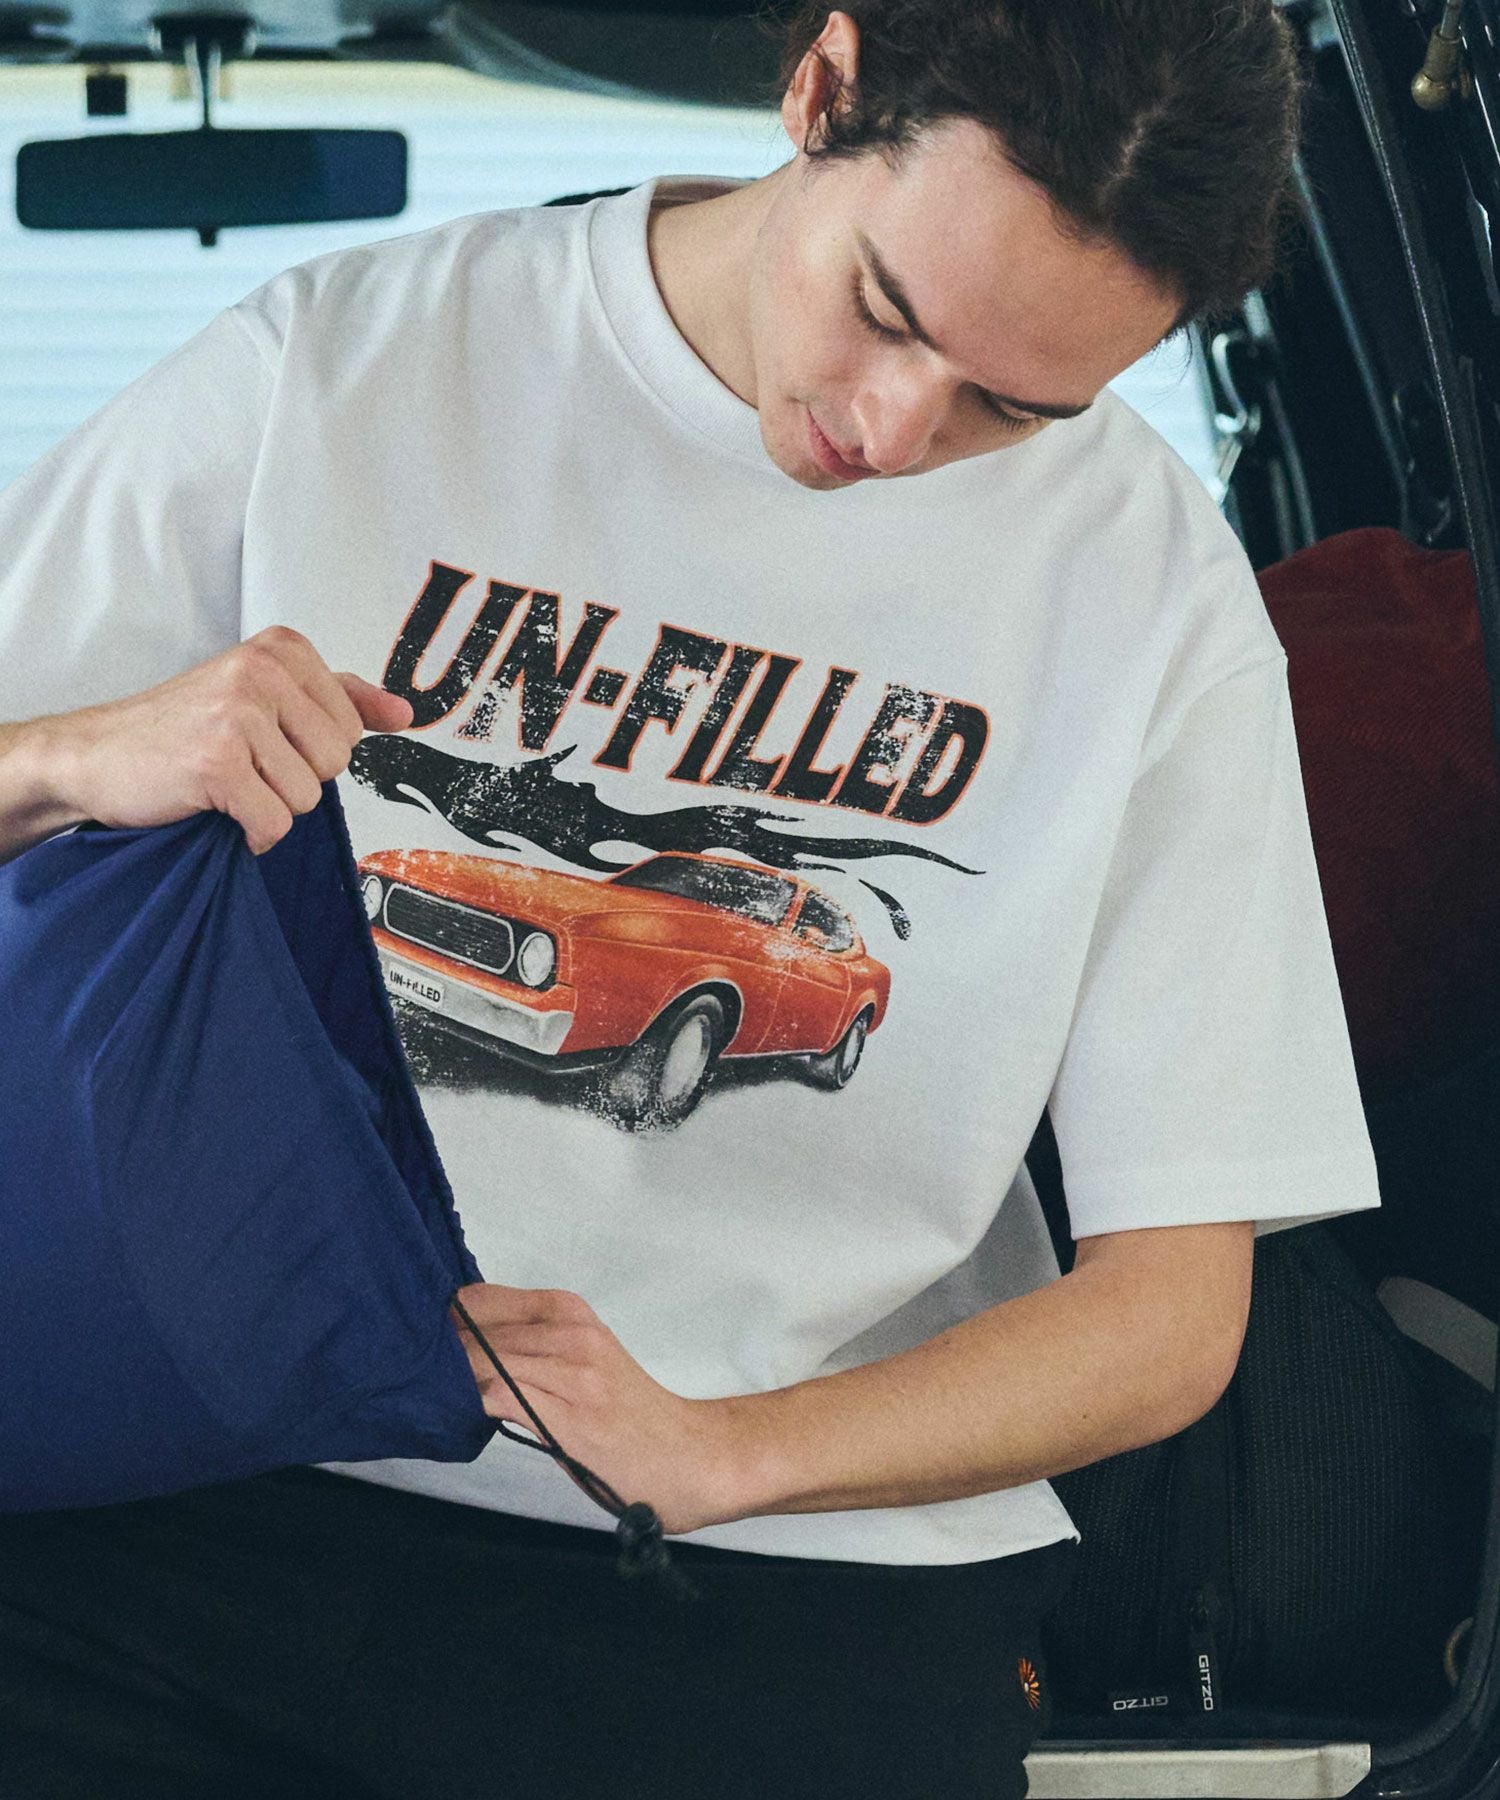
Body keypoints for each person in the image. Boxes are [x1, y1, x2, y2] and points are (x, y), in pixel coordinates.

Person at [0, 2, 1383, 1795]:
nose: (892, 428)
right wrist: (69, 757)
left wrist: (734, 1451)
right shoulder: (343, 364)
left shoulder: (1158, 595)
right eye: (888, 310)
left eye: (1013, 408)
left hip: (773, 1575)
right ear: (823, 88)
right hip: (189, 1471)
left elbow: (1172, 1313)